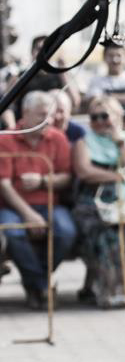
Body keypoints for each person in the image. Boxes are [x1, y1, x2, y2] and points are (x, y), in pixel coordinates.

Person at [71, 95, 125, 307]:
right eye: (94, 117)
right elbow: (84, 172)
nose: (100, 121)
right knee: (105, 233)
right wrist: (115, 176)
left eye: (105, 116)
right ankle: (108, 287)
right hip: (93, 202)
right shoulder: (84, 143)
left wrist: (120, 143)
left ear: (118, 117)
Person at [0, 91, 77, 308]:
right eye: (42, 114)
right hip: (13, 206)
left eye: (51, 115)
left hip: (50, 204)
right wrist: (29, 215)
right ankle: (42, 286)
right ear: (25, 113)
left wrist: (43, 181)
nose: (49, 120)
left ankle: (35, 282)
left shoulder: (57, 137)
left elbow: (65, 177)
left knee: (66, 231)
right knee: (13, 233)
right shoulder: (6, 139)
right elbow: (4, 185)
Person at [85, 41, 125, 112]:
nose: (115, 60)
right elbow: (94, 101)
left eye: (119, 55)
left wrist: (106, 97)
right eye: (110, 56)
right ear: (104, 57)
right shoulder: (96, 80)